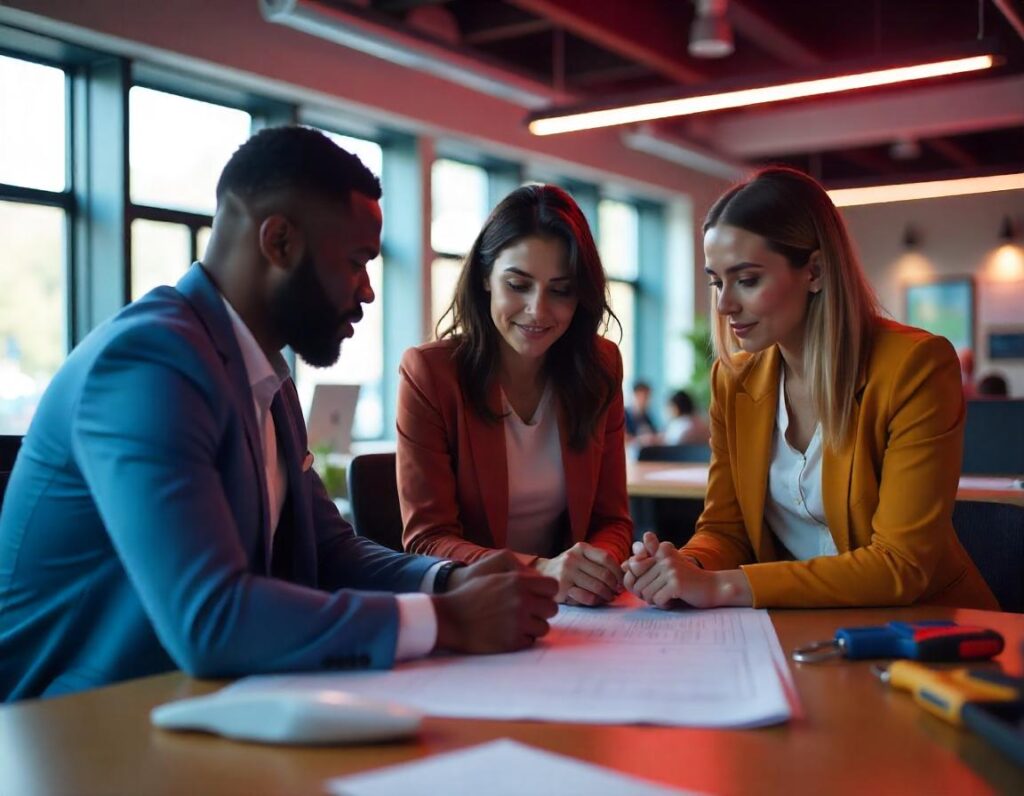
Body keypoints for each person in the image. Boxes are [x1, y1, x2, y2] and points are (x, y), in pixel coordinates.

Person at [0, 127, 558, 702]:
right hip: (72, 734)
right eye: (356, 261)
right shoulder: (147, 364)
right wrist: (448, 621)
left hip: (195, 709)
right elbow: (211, 618)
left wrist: (448, 581)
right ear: (280, 242)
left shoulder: (262, 373)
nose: (368, 291)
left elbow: (329, 549)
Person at [623, 166, 997, 611]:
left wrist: (723, 587)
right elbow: (726, 529)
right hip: (797, 629)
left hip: (925, 629)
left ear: (815, 271)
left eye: (747, 280)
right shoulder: (734, 380)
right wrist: (683, 567)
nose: (724, 304)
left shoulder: (914, 367)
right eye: (716, 281)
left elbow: (901, 565)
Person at [397, 185, 632, 607]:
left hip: (573, 612)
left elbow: (611, 520)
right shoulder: (430, 373)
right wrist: (539, 571)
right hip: (478, 607)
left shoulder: (600, 366)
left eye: (560, 290)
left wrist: (598, 565)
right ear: (485, 278)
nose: (538, 311)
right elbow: (427, 540)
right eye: (518, 284)